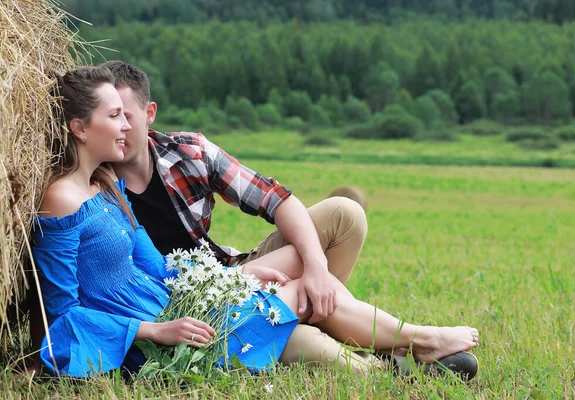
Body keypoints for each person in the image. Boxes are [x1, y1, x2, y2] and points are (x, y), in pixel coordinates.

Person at [33, 66, 480, 378]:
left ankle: (411, 345)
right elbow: (61, 315)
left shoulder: (108, 184)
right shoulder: (62, 198)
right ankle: (409, 352)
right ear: (79, 127)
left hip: (183, 299)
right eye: (113, 117)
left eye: (125, 115)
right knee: (299, 294)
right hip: (155, 331)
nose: (125, 128)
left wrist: (240, 276)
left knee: (316, 263)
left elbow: (161, 269)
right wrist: (156, 331)